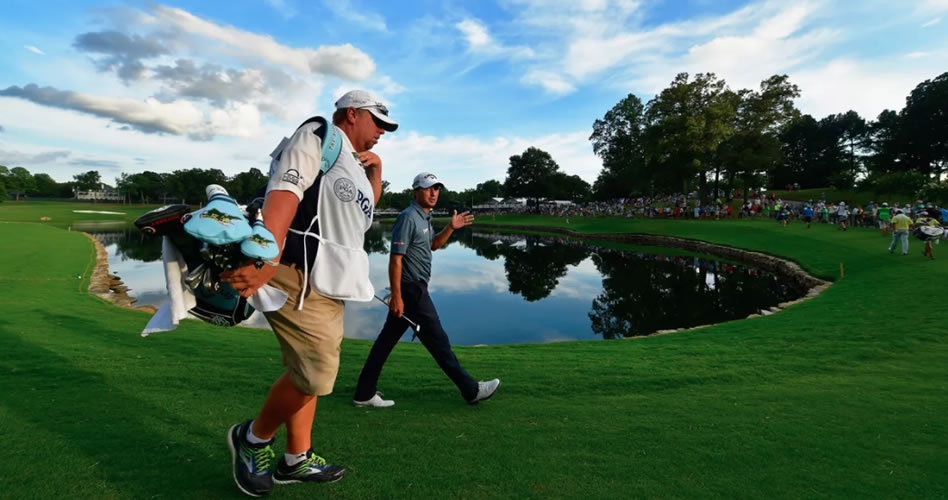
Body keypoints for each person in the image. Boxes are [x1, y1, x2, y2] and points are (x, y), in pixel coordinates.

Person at [219, 89, 398, 497]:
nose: (382, 132)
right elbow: (285, 192)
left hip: (332, 285)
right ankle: (254, 438)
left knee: (309, 370)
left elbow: (365, 210)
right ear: (351, 115)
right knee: (316, 372)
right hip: (298, 275)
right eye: (378, 123)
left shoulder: (351, 165)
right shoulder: (320, 133)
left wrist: (376, 169)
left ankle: (297, 457)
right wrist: (267, 257)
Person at [353, 172, 501, 408]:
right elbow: (396, 259)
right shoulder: (408, 217)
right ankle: (471, 390)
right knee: (438, 342)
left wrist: (451, 228)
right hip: (412, 292)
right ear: (416, 191)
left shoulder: (425, 217)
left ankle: (363, 393)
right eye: (428, 188)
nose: (434, 193)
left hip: (414, 289)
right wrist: (398, 296)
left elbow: (433, 245)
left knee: (385, 343)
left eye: (436, 189)